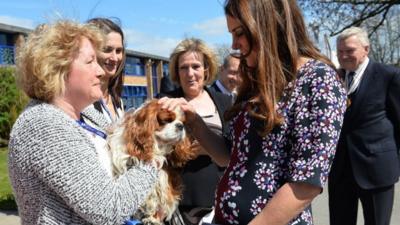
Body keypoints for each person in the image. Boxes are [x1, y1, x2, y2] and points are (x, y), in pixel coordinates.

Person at [159, 0, 347, 224]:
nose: (234, 45)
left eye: (239, 33)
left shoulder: (317, 80)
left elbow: (306, 182)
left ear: (266, 25)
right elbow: (228, 155)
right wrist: (194, 121)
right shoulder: (258, 79)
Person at [8, 21, 158, 225]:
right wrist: (152, 161)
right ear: (57, 68)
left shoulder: (82, 115)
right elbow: (108, 208)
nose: (100, 71)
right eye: (90, 62)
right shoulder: (44, 124)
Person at [328, 27, 400, 225]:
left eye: (349, 50)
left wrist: (394, 161)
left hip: (377, 169)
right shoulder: (333, 79)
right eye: (340, 51)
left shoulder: (389, 76)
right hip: (340, 171)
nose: (343, 56)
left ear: (366, 49)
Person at [159, 38, 232, 225]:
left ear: (206, 69)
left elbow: (236, 151)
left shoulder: (225, 102)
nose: (190, 73)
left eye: (195, 66)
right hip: (180, 205)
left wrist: (210, 148)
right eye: (183, 67)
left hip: (221, 200)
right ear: (176, 71)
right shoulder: (165, 102)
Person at [87, 17, 126, 122]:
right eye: (107, 49)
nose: (114, 58)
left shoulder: (117, 101)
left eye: (118, 51)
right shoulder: (80, 101)